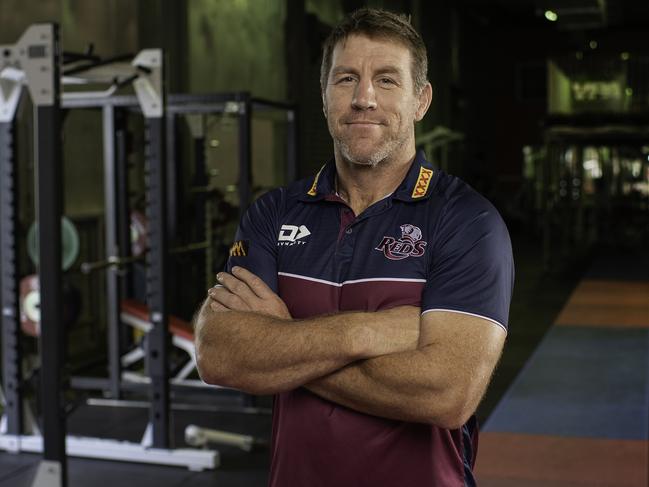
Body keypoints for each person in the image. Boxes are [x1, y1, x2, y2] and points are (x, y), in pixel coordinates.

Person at [194, 7, 514, 486]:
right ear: (324, 97)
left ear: (421, 100)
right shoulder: (274, 213)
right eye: (346, 79)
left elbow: (447, 394)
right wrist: (366, 333)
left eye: (386, 80)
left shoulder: (467, 222)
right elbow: (218, 353)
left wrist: (283, 341)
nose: (364, 98)